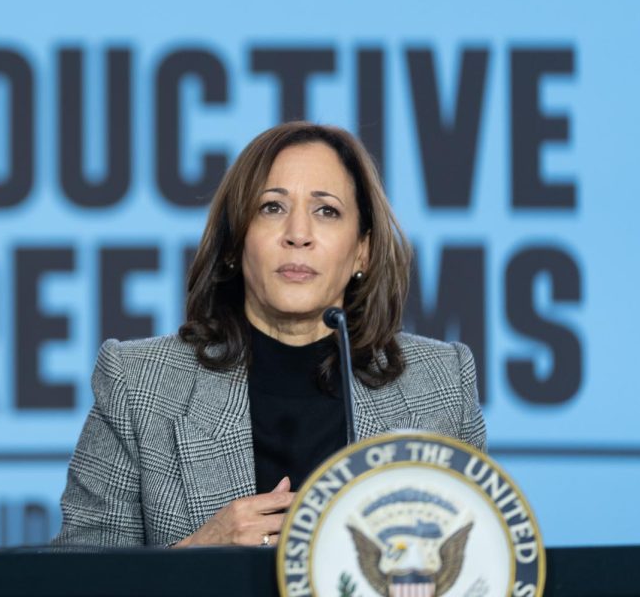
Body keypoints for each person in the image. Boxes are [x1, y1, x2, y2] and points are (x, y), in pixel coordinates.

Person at [52, 122, 485, 548]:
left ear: (362, 252)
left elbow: (483, 569)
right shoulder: (139, 383)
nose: (298, 235)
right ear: (233, 247)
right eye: (272, 208)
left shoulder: (442, 383)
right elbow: (77, 579)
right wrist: (196, 559)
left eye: (326, 211)